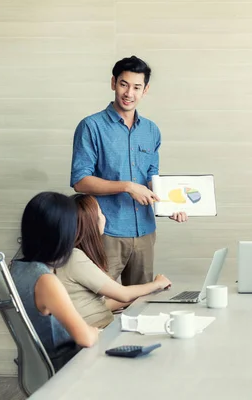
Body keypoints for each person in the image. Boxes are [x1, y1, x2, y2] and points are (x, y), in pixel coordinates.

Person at [70, 55, 187, 286]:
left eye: (136, 87)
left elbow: (153, 177)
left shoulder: (151, 130)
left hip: (145, 231)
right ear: (113, 83)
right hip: (106, 232)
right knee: (99, 302)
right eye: (124, 84)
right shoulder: (91, 126)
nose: (129, 93)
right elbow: (80, 181)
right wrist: (127, 186)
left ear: (145, 90)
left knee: (141, 303)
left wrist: (172, 205)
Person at [10, 192, 99, 371]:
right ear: (63, 236)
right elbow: (86, 338)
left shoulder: (17, 268)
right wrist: (95, 330)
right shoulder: (45, 281)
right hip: (65, 366)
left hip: (38, 366)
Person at [55, 194, 172, 328]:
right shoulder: (75, 258)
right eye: (101, 213)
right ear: (92, 223)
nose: (104, 217)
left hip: (101, 326)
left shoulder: (73, 254)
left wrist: (150, 290)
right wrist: (157, 284)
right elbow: (123, 295)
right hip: (96, 332)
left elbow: (104, 304)